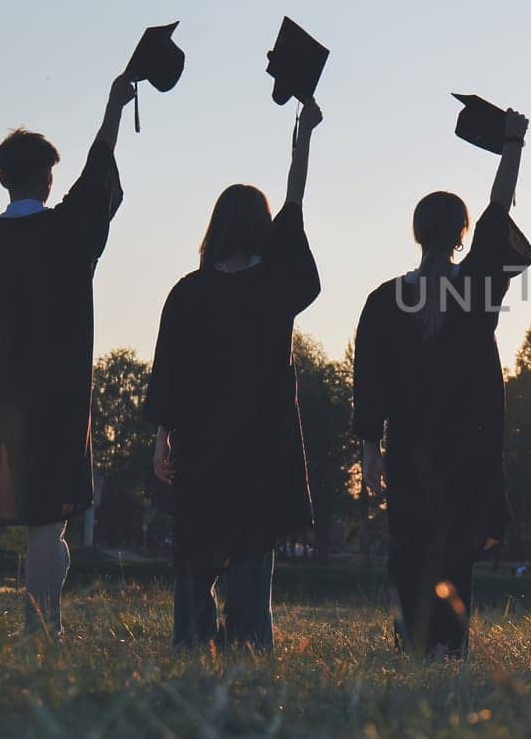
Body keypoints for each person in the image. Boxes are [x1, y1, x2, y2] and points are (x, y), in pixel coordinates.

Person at [0, 75, 134, 639]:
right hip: (55, 406)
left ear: (0, 178)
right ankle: (41, 631)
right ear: (48, 178)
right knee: (47, 523)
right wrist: (114, 104)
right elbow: (99, 172)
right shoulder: (68, 232)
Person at [351, 110, 531, 658]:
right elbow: (498, 212)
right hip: (466, 450)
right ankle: (449, 648)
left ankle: (412, 636)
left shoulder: (385, 301)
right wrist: (512, 146)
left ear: (416, 232)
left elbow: (370, 382)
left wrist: (369, 451)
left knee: (409, 547)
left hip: (408, 447)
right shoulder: (476, 286)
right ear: (462, 235)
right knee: (455, 552)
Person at [144, 101, 324, 652]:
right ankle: (248, 643)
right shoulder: (275, 287)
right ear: (262, 229)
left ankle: (191, 643)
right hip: (262, 442)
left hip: (202, 441)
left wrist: (161, 439)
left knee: (196, 547)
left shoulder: (188, 292)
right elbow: (294, 208)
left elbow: (167, 371)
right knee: (252, 547)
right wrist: (303, 140)